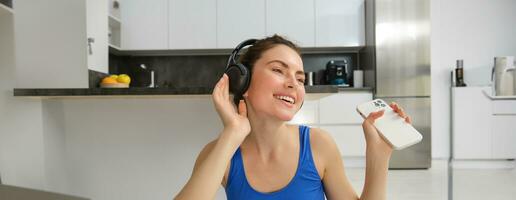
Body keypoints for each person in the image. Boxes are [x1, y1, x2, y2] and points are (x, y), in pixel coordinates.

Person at [175, 35, 412, 200]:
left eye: (300, 79)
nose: (293, 84)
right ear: (243, 82)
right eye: (278, 70)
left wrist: (379, 155)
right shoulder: (220, 154)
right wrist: (232, 133)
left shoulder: (319, 145)